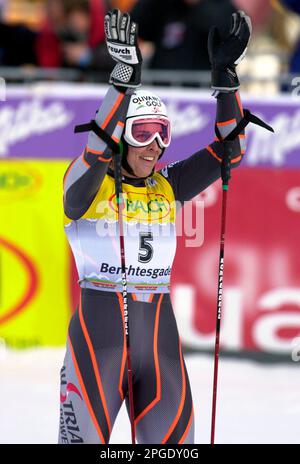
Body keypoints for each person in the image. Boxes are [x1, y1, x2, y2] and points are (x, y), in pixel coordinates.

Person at [58, 9, 251, 444]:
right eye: (142, 133)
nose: (154, 146)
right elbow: (89, 166)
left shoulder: (170, 184)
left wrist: (226, 81)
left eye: (163, 133)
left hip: (160, 346)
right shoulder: (90, 183)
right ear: (122, 136)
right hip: (97, 344)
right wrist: (122, 83)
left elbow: (231, 151)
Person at [129, 0, 237, 71]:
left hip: (203, 91)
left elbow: (227, 39)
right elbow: (138, 25)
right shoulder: (165, 5)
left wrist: (197, 5)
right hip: (162, 87)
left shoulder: (221, 6)